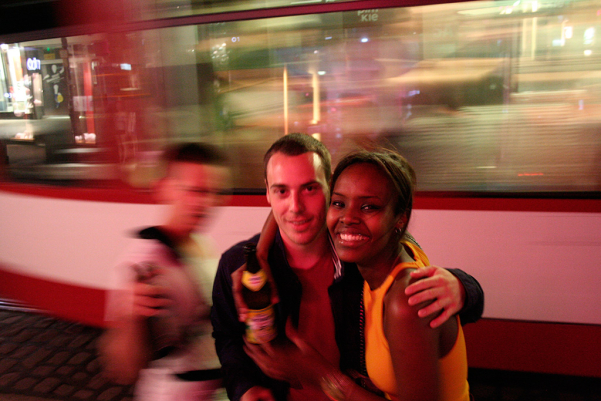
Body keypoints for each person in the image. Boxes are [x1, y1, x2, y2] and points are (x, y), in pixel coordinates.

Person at [211, 133, 483, 401]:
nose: (295, 207)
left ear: (327, 188)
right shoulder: (238, 266)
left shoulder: (360, 253)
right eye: (281, 190)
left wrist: (462, 287)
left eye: (310, 188)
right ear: (268, 192)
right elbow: (227, 336)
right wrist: (245, 388)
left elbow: (435, 298)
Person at [98, 142, 230, 401]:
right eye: (193, 191)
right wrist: (131, 319)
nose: (204, 202)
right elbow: (124, 368)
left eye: (211, 192)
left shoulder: (202, 243)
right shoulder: (142, 262)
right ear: (165, 189)